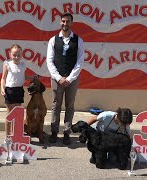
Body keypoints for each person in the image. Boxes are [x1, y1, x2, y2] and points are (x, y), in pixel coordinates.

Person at [46, 13, 84, 145]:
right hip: (57, 79)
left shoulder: (79, 40)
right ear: (60, 22)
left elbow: (80, 62)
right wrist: (58, 77)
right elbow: (49, 61)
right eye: (63, 21)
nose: (65, 24)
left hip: (72, 80)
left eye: (67, 21)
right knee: (56, 105)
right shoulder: (53, 40)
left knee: (70, 106)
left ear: (71, 23)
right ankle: (54, 132)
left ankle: (67, 133)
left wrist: (70, 78)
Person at [0, 44, 37, 138]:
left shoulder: (23, 64)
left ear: (21, 54)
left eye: (18, 55)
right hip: (10, 90)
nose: (16, 57)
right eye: (14, 55)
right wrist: (2, 88)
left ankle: (16, 135)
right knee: (10, 114)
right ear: (10, 54)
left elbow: (22, 77)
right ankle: (8, 137)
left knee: (18, 114)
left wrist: (31, 77)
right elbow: (3, 78)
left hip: (19, 90)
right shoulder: (7, 64)